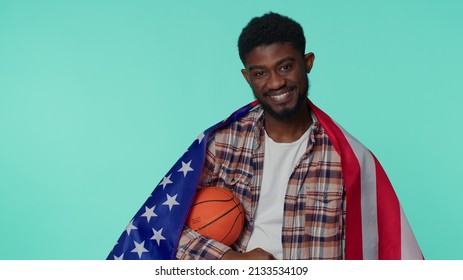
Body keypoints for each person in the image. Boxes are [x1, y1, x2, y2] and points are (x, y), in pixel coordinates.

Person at [108, 12, 422, 261]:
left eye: (285, 67)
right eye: (261, 73)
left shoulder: (350, 159)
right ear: (247, 76)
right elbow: (165, 225)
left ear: (307, 63)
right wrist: (229, 258)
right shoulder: (222, 143)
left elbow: (379, 250)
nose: (275, 83)